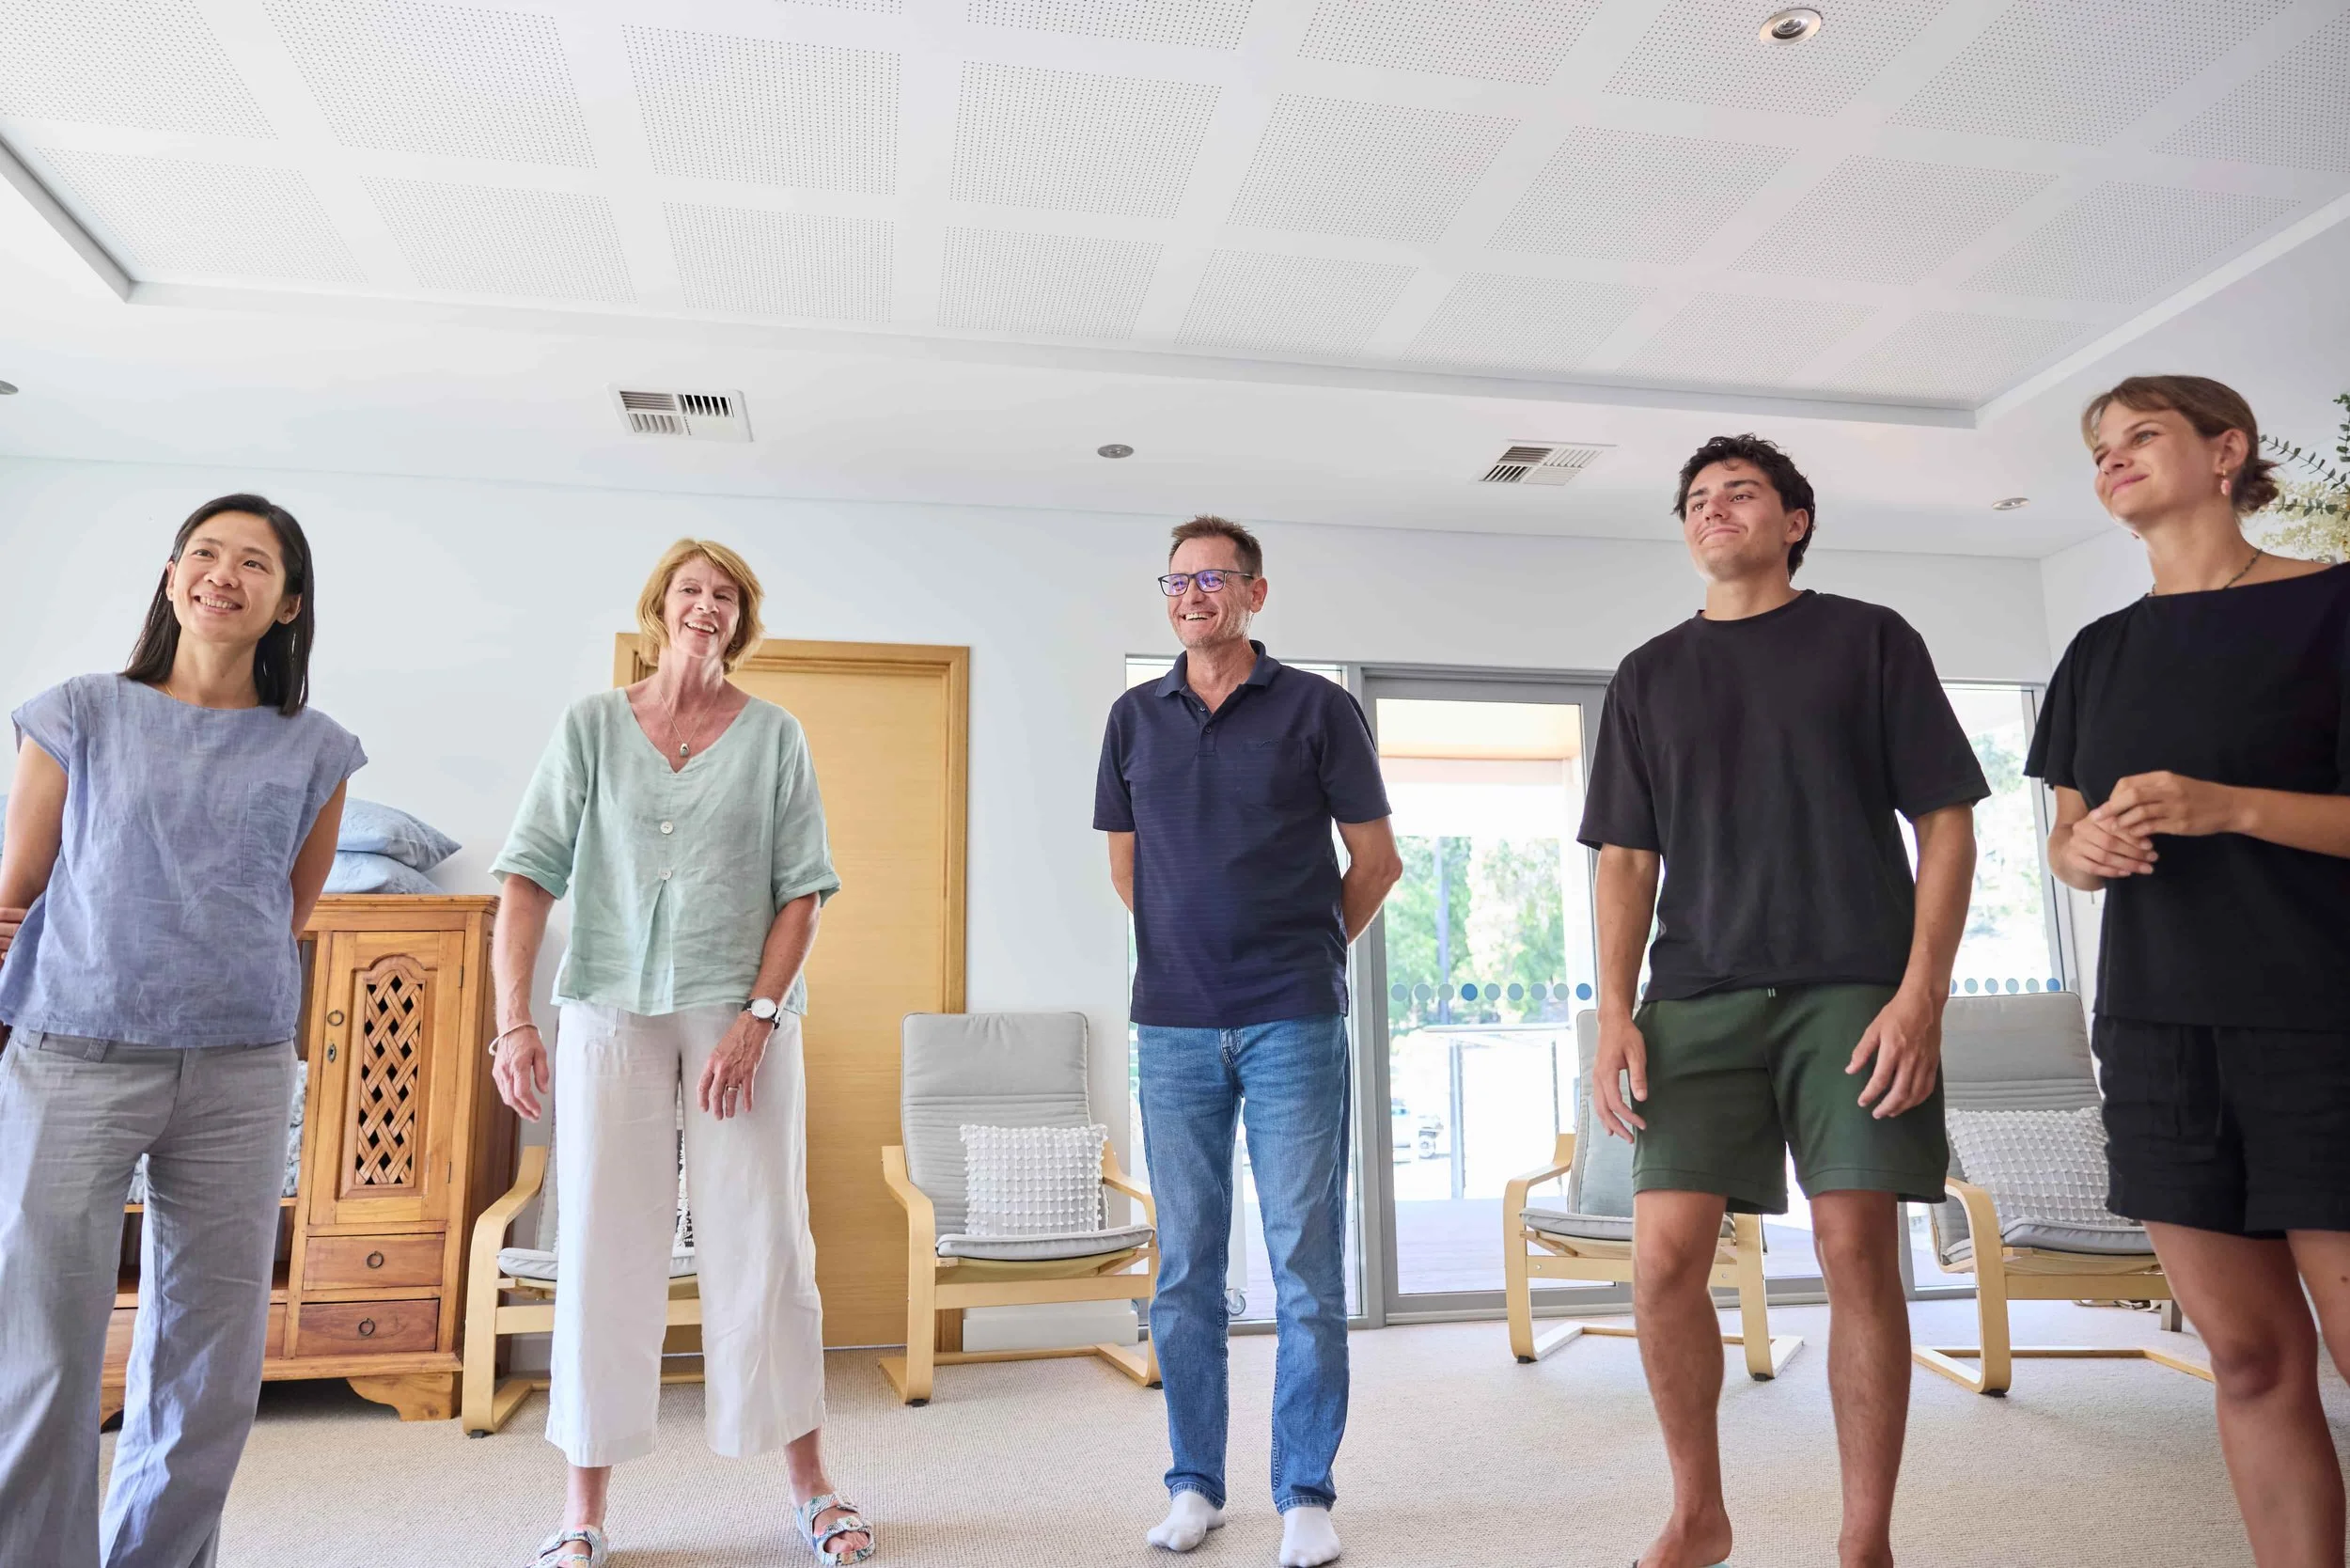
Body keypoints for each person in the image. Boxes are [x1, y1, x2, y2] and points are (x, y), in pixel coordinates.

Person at [1581, 436, 1985, 1568]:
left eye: (1740, 494)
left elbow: (1946, 821)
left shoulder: (1868, 639)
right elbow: (1623, 859)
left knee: (1854, 1247)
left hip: (1853, 987)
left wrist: (1922, 996)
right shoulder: (1648, 673)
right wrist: (1615, 1013)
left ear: (1794, 521)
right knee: (1661, 1260)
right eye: (1696, 499)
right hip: (1694, 995)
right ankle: (1697, 1512)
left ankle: (1864, 1539)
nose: (1714, 511)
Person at [0, 494, 363, 1568]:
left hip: (240, 1073)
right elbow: (17, 888)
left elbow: (285, 912)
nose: (223, 574)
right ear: (169, 579)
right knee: (42, 1353)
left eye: (255, 563)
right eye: (203, 554)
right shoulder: (78, 713)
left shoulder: (319, 750)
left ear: (287, 601)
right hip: (71, 1054)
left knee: (207, 1365)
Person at [488, 539, 866, 1568]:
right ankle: (581, 1511)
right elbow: (526, 876)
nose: (708, 606)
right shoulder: (591, 728)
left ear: (742, 621)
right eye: (691, 590)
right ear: (660, 607)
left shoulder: (775, 734)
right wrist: (512, 1018)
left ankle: (810, 1488)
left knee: (765, 1238)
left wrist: (758, 1019)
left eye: (727, 595)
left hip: (736, 1016)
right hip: (607, 1010)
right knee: (604, 1244)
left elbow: (802, 893)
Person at [2031, 375, 2350, 1568]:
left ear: (2228, 453)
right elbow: (2063, 841)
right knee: (2251, 1359)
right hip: (2159, 1033)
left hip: (2323, 1020)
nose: (2111, 459)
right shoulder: (2095, 653)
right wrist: (2085, 848)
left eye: (2140, 437)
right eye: (2098, 449)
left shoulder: (2333, 609)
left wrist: (2230, 808)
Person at [1095, 516, 1402, 1568]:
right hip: (1171, 1027)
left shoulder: (1318, 709)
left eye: (1213, 578)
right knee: (1183, 1270)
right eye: (1176, 580)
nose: (1191, 595)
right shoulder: (1134, 717)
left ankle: (1305, 1493)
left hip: (1292, 1021)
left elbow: (1376, 861)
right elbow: (1126, 866)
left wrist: (1306, 949)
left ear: (1255, 595)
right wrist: (1181, 951)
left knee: (1306, 1269)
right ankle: (1192, 1485)